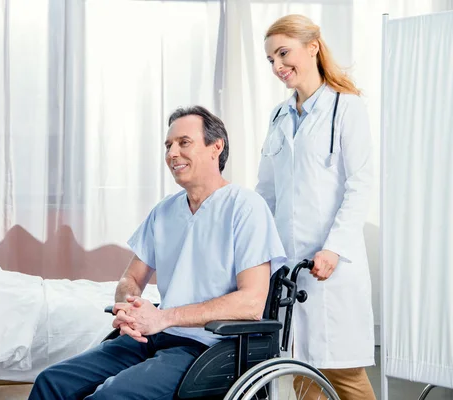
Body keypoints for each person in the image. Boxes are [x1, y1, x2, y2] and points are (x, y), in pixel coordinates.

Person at [28, 105, 286, 400]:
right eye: (168, 146)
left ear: (216, 147)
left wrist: (165, 317)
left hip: (209, 346)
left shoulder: (245, 207)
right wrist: (128, 308)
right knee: (52, 382)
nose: (172, 153)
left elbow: (251, 303)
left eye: (183, 142)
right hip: (154, 338)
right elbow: (131, 279)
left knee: (108, 397)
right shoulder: (165, 212)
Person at [257, 14, 376, 400]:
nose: (277, 66)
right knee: (304, 372)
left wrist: (334, 247)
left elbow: (360, 186)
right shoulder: (279, 116)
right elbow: (266, 193)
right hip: (291, 268)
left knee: (344, 375)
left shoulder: (347, 107)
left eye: (283, 53)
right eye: (271, 59)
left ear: (312, 47)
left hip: (332, 267)